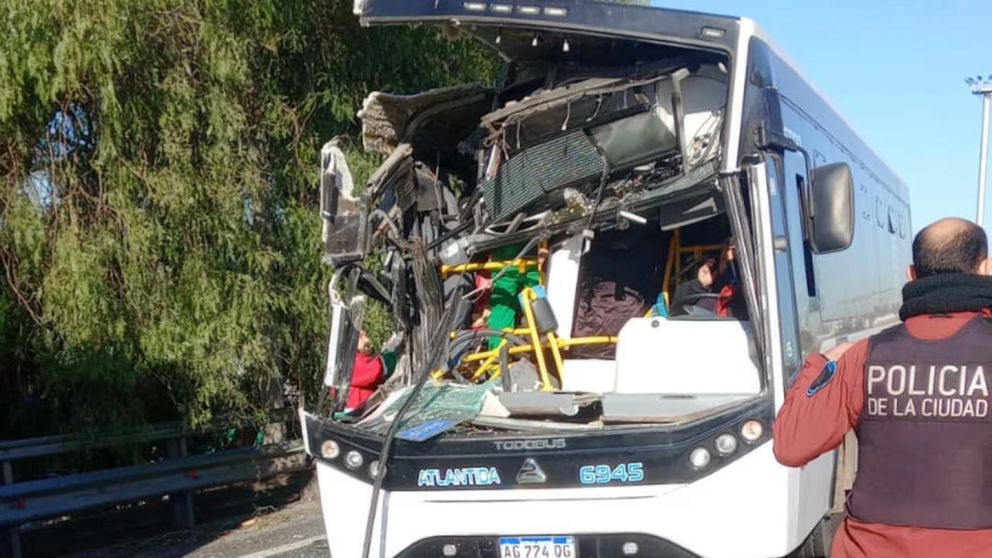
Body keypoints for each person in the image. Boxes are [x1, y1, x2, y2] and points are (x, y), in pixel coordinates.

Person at [773, 218, 992, 558]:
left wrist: (823, 364)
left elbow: (791, 445)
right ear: (986, 268)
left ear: (911, 274)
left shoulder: (864, 356)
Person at [345, 330, 400, 411]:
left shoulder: (359, 361)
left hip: (364, 412)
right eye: (361, 337)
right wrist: (392, 355)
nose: (367, 340)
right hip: (355, 415)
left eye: (365, 336)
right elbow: (375, 371)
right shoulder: (348, 363)